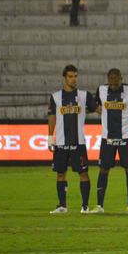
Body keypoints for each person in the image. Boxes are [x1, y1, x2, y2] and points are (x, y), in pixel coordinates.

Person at [89, 69, 128, 214]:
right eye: (111, 78)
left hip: (126, 136)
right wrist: (101, 112)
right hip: (107, 137)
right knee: (103, 169)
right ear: (108, 78)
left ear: (121, 78)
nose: (113, 81)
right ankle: (99, 206)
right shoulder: (101, 90)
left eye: (116, 78)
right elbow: (94, 106)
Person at [48, 65, 96, 214]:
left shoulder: (84, 95)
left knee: (83, 173)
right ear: (64, 78)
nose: (73, 79)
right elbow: (52, 117)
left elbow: (96, 108)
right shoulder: (56, 97)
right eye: (70, 76)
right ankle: (62, 206)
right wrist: (50, 137)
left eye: (75, 76)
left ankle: (85, 206)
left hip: (78, 142)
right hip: (61, 142)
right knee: (60, 174)